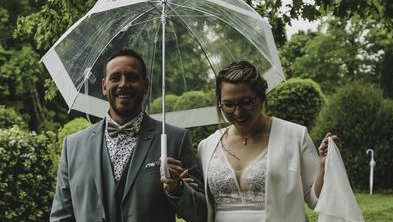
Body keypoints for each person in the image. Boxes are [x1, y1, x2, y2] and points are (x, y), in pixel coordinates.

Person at [50, 49, 206, 222]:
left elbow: (201, 213)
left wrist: (177, 189)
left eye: (132, 78)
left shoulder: (175, 139)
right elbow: (61, 216)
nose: (123, 84)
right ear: (104, 86)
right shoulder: (72, 146)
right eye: (115, 78)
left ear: (145, 85)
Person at [195, 60, 337, 222]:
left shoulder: (295, 136)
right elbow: (200, 206)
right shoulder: (206, 146)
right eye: (228, 104)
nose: (238, 111)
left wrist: (323, 165)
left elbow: (316, 200)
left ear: (261, 98)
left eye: (246, 102)